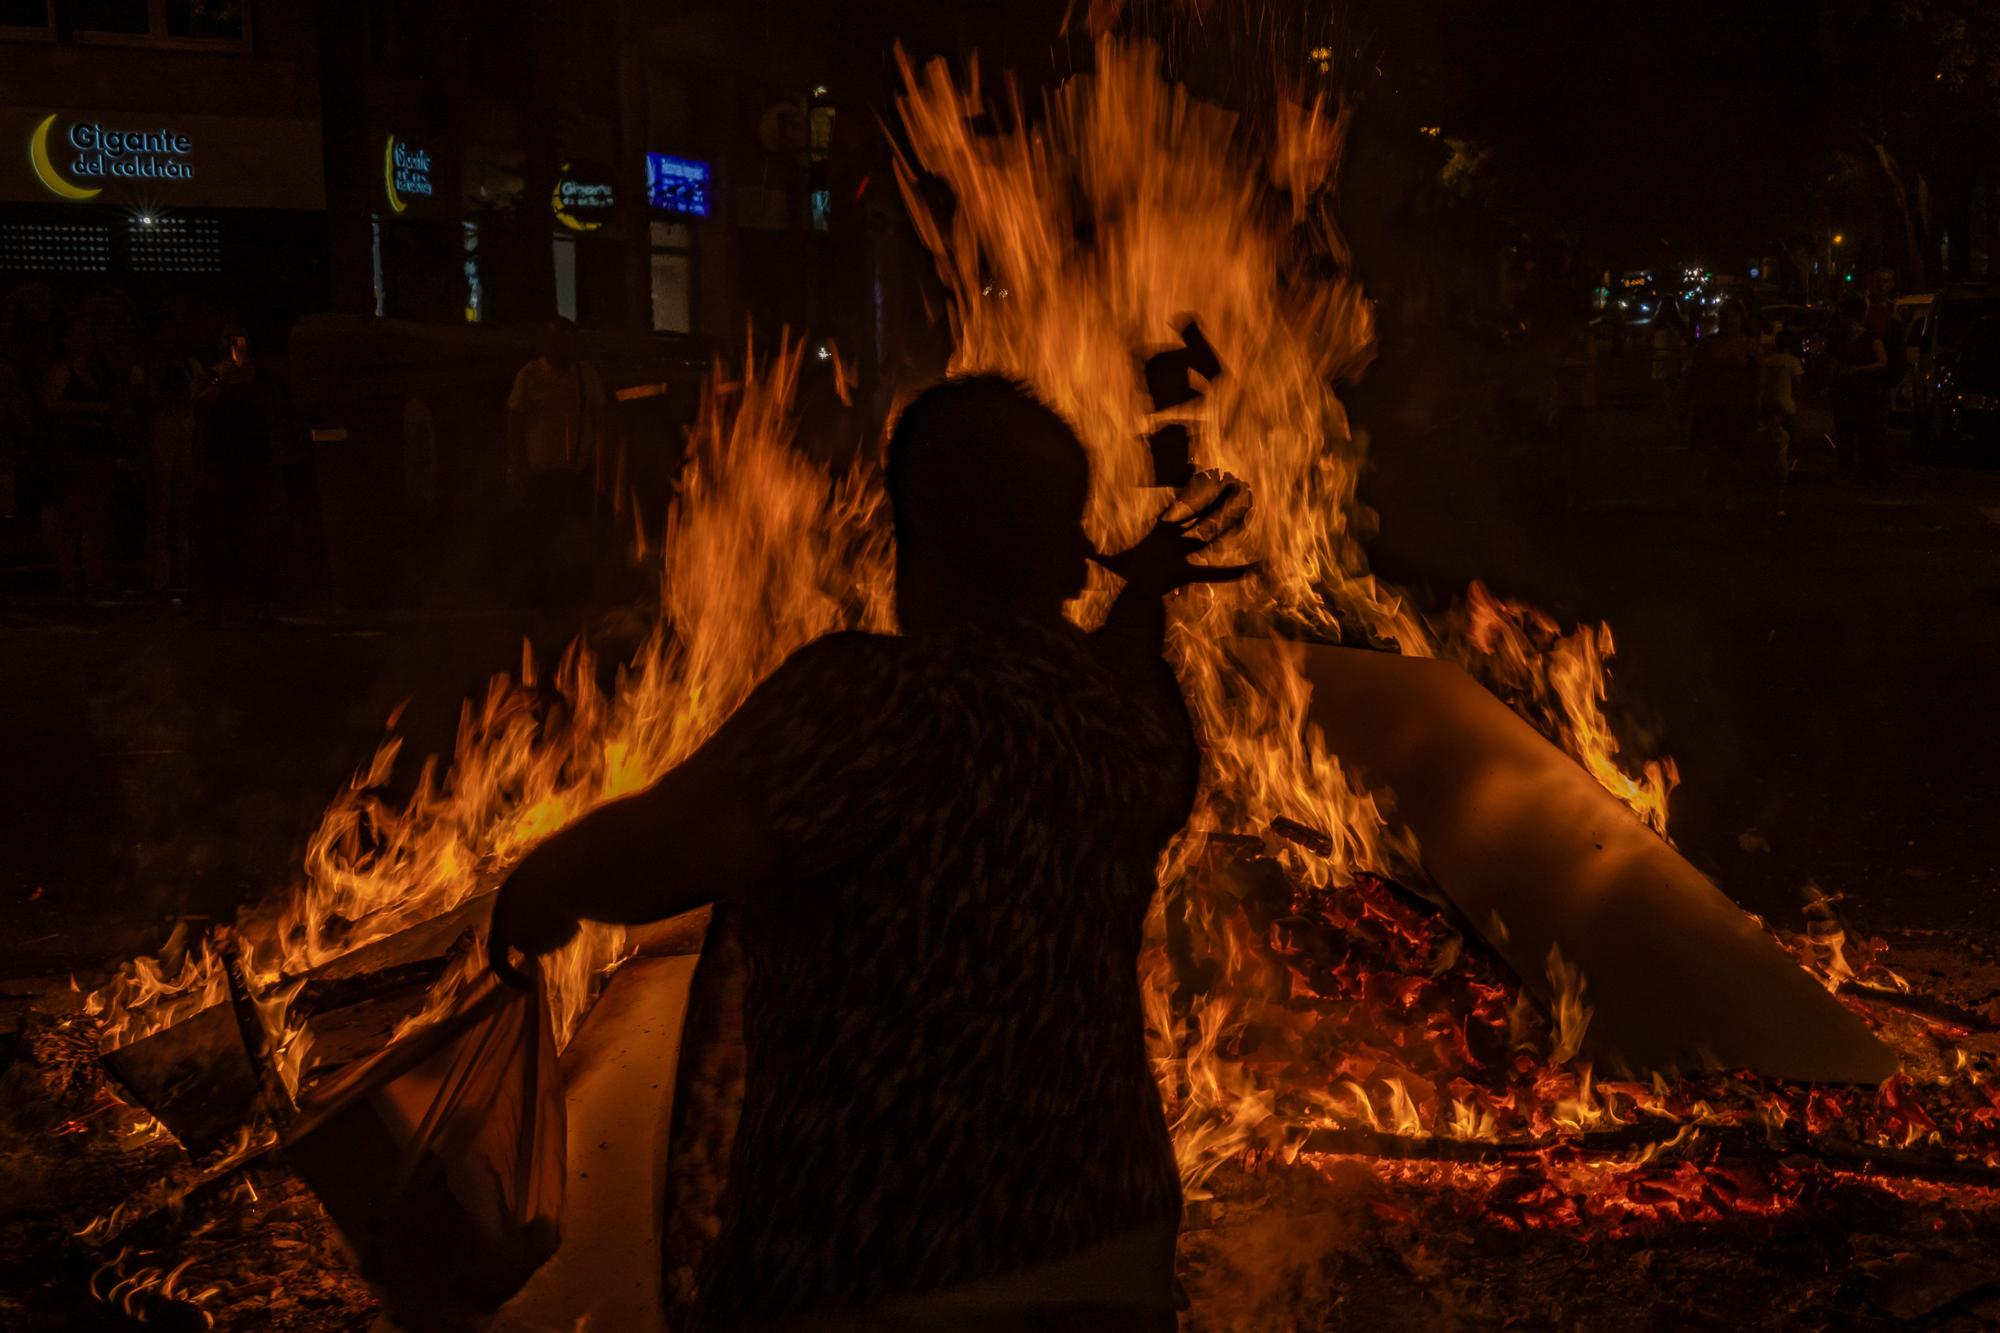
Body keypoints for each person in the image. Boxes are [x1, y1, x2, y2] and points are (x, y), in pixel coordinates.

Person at [490, 376, 1253, 1331]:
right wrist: (1140, 595)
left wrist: (539, 884)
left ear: (910, 543)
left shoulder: (866, 706)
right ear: (1067, 557)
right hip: (1109, 1255)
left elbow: (649, 858)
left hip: (872, 1270)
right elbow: (1113, 668)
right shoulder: (1134, 731)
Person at [504, 317, 608, 604]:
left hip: (575, 476)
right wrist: (517, 469)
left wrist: (601, 472)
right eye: (557, 340)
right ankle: (542, 603)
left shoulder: (586, 377)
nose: (563, 347)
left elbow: (600, 423)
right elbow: (515, 424)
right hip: (540, 478)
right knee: (542, 544)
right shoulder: (530, 376)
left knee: (574, 544)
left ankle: (572, 600)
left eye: (568, 340)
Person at [41, 315, 132, 597]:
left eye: (87, 334)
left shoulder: (98, 371)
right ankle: (68, 576)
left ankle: (94, 576)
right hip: (75, 449)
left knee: (97, 515)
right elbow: (49, 404)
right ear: (65, 340)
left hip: (99, 449)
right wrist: (90, 408)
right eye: (78, 334)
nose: (85, 339)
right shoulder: (62, 370)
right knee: (72, 514)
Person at [194, 326, 281, 619]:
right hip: (221, 462)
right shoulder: (213, 376)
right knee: (220, 534)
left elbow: (268, 410)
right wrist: (223, 381)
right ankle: (217, 603)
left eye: (239, 341)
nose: (234, 348)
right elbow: (201, 406)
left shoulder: (258, 376)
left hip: (252, 463)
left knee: (255, 533)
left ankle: (260, 602)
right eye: (229, 341)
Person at [135, 315, 204, 593]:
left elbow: (196, 399)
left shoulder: (190, 365)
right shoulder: (147, 366)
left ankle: (182, 570)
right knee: (161, 500)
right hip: (161, 428)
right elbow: (144, 401)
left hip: (182, 428)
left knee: (182, 500)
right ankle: (161, 572)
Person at [1685, 302, 1763, 489]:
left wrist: (1756, 404)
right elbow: (1694, 374)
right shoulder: (1707, 344)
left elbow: (1759, 378)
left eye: (1732, 317)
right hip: (1709, 406)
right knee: (1704, 452)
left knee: (1733, 452)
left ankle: (1726, 492)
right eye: (1724, 317)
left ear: (1741, 320)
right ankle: (1705, 493)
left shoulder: (1750, 345)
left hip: (1737, 406)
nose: (1728, 322)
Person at [1831, 296, 1890, 481]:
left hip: (1865, 391)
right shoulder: (1840, 337)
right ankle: (1846, 468)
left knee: (1866, 430)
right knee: (1844, 431)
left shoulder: (1870, 337)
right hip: (1844, 391)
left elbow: (1882, 363)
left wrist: (1858, 369)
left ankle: (1867, 468)